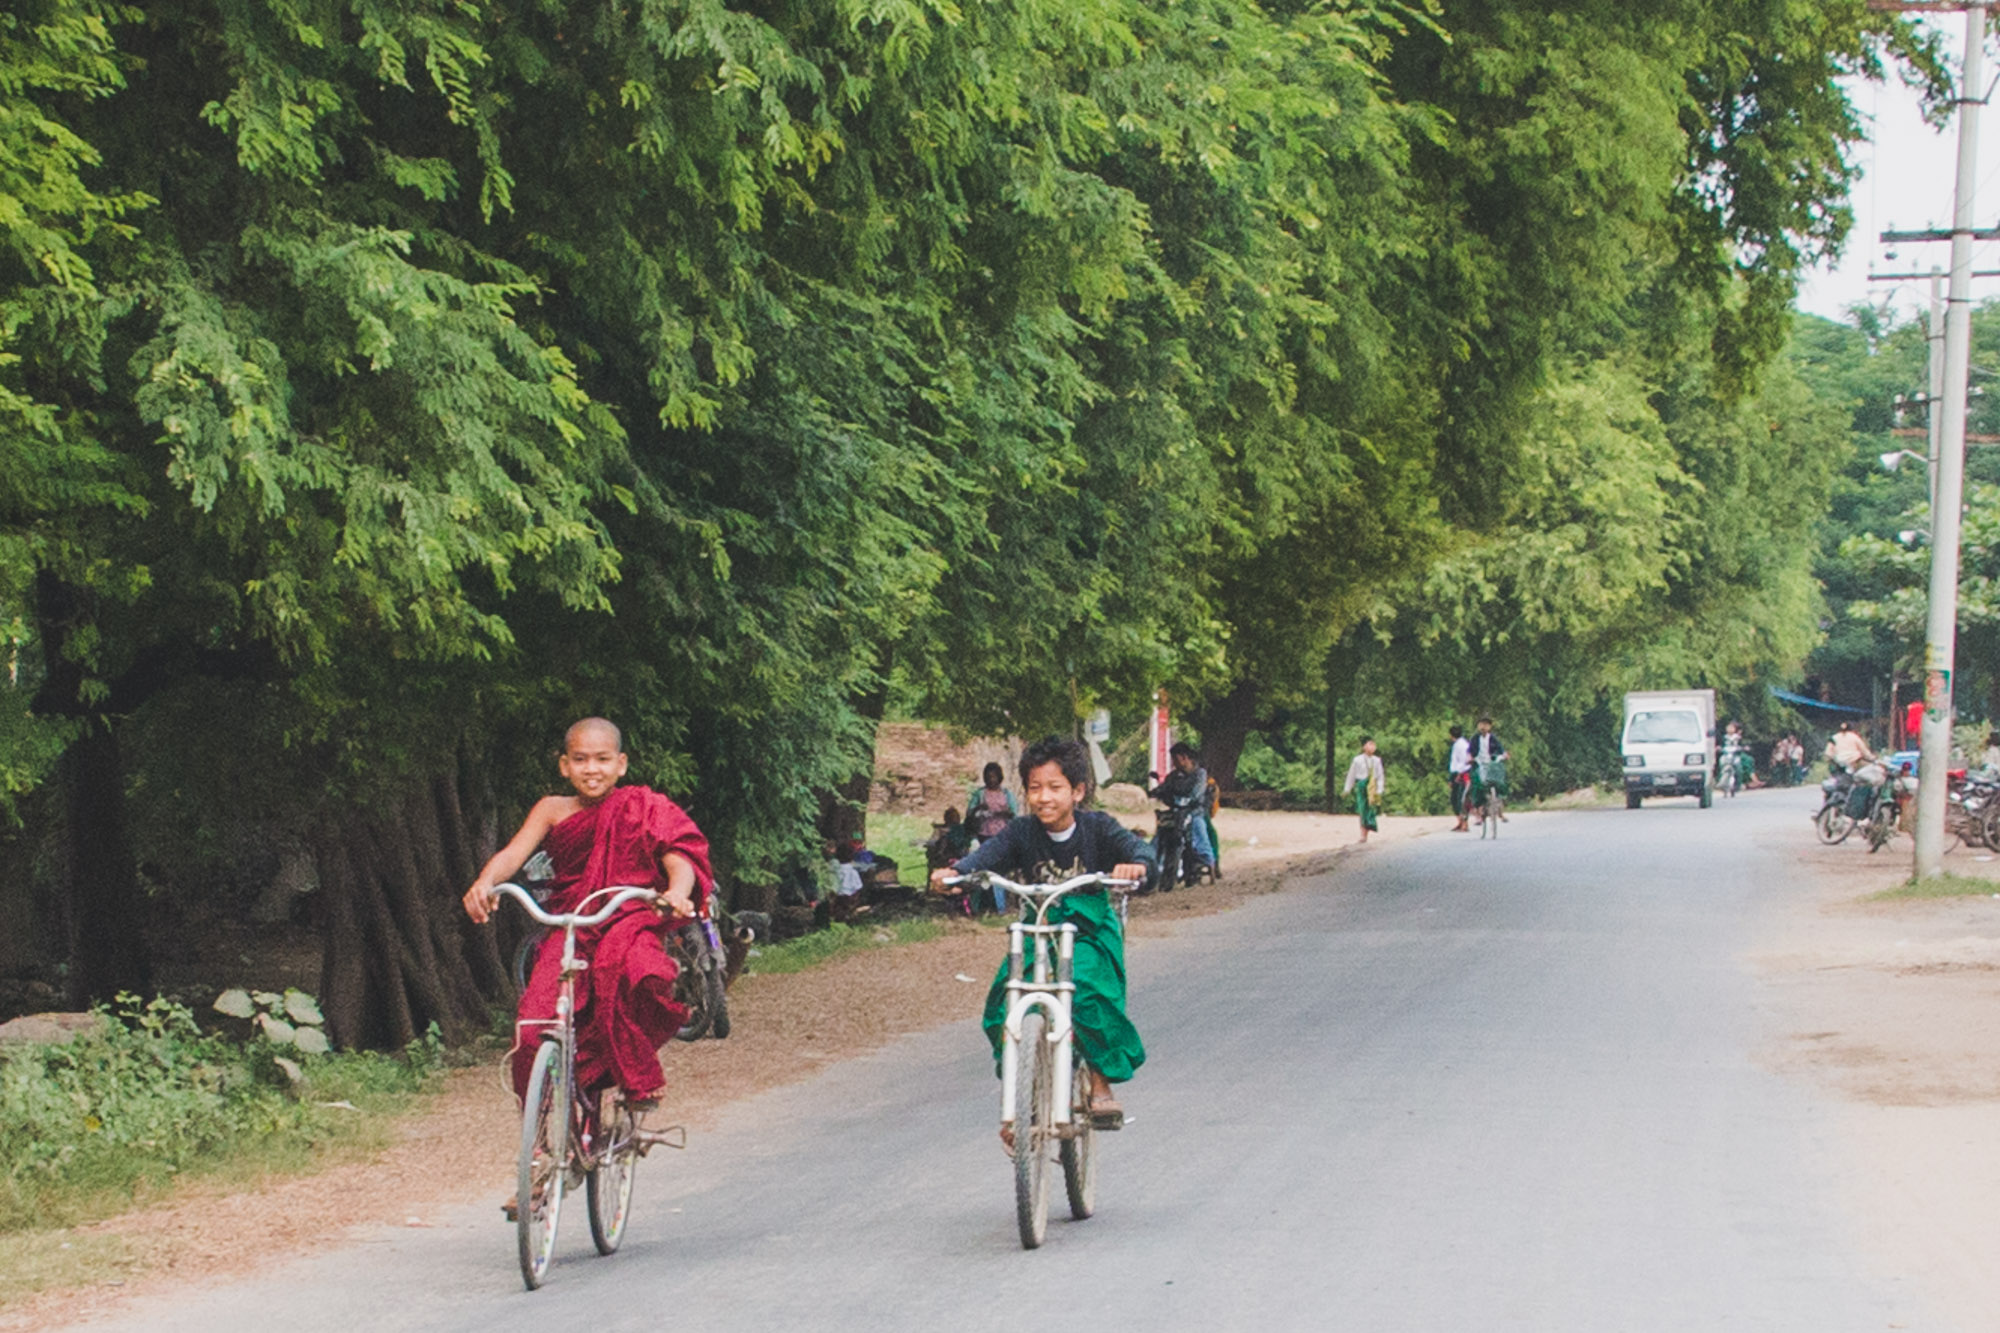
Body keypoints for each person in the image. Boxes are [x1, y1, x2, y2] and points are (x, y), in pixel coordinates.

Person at [462, 718, 713, 1125]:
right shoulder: (551, 809)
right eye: (580, 759)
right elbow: (513, 855)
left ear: (621, 764)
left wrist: (677, 892)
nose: (591, 769)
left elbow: (677, 857)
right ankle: (541, 1144)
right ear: (564, 766)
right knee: (531, 1030)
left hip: (627, 922)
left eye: (602, 759)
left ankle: (633, 1080)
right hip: (570, 927)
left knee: (642, 976)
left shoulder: (642, 806)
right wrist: (485, 881)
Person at [931, 736, 1154, 1135]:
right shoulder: (1020, 832)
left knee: (1086, 990)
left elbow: (1139, 852)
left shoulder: (1098, 828)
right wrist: (956, 874)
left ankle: (1099, 1083)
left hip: (1087, 929)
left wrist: (1134, 866)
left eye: (1055, 788)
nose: (1043, 798)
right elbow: (984, 859)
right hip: (1038, 926)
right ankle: (1022, 1097)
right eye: (1035, 788)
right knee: (1004, 1000)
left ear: (1078, 791)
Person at [1148, 741, 1217, 874]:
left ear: (1184, 757)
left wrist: (1190, 800)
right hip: (1177, 812)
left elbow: (1197, 793)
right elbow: (1164, 787)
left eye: (1176, 759)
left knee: (1198, 829)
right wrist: (1155, 792)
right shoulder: (1174, 776)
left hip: (1194, 811)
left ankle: (1206, 860)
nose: (1174, 762)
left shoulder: (1200, 774)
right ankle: (1151, 859)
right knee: (1161, 831)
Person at [1342, 737, 1386, 843]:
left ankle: (1367, 830)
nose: (1372, 746)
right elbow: (1352, 775)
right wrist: (1347, 788)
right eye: (1369, 744)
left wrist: (1380, 789)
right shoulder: (1357, 760)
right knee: (1362, 809)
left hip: (1372, 787)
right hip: (1361, 785)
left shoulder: (1377, 760)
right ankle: (1363, 834)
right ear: (1364, 747)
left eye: (1373, 744)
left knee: (1370, 809)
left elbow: (1380, 776)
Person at [1467, 716, 1509, 819]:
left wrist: (1504, 755)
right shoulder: (1475, 739)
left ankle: (1500, 809)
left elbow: (1501, 750)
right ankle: (1479, 811)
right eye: (1481, 724)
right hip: (1479, 764)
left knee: (1500, 782)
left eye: (1486, 724)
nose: (1483, 727)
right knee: (1477, 786)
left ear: (1489, 727)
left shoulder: (1493, 739)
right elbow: (1470, 752)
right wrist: (1470, 758)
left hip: (1491, 765)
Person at [965, 763, 1017, 843]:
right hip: (983, 833)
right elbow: (969, 812)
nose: (991, 780)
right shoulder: (980, 793)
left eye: (993, 777)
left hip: (1003, 833)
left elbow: (1014, 813)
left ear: (999, 777)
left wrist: (1005, 813)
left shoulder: (1007, 794)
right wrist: (979, 807)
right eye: (988, 777)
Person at [1447, 723, 1473, 831]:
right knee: (1458, 798)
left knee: (1458, 799)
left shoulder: (1459, 745)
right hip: (1461, 772)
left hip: (1461, 773)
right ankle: (1461, 822)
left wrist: (1456, 775)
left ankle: (1463, 822)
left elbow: (1461, 762)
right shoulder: (1463, 743)